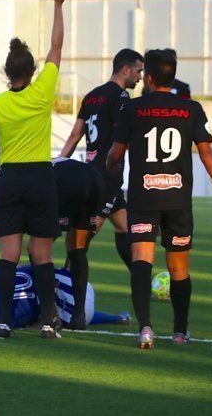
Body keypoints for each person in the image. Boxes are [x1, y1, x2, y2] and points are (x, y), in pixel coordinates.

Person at [107, 48, 212, 350]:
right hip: (178, 200)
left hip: (143, 198)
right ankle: (180, 332)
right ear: (172, 76)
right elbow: (206, 153)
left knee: (142, 262)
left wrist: (110, 164)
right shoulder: (191, 109)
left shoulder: (133, 109)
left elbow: (116, 153)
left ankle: (146, 329)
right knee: (179, 268)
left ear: (149, 77)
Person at [0, 0, 68, 340]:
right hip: (41, 176)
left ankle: (5, 321)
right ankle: (50, 319)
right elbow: (57, 46)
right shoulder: (42, 92)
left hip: (10, 178)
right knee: (41, 252)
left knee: (9, 252)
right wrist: (57, 5)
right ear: (32, 69)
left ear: (6, 72)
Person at [0, 158, 104, 330]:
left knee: (35, 250)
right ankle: (78, 316)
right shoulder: (23, 182)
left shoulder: (2, 205)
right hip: (93, 177)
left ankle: (50, 315)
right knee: (77, 248)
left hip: (63, 184)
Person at [59, 48, 144, 269]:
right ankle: (65, 280)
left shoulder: (91, 96)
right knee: (82, 239)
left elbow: (75, 135)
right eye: (138, 71)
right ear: (125, 70)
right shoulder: (122, 97)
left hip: (91, 173)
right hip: (107, 177)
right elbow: (122, 137)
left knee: (125, 228)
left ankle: (139, 277)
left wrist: (58, 163)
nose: (140, 77)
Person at [0, 264, 130, 329]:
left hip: (80, 314)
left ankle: (116, 318)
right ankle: (117, 318)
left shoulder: (4, 319)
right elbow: (27, 266)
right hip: (79, 283)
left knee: (47, 319)